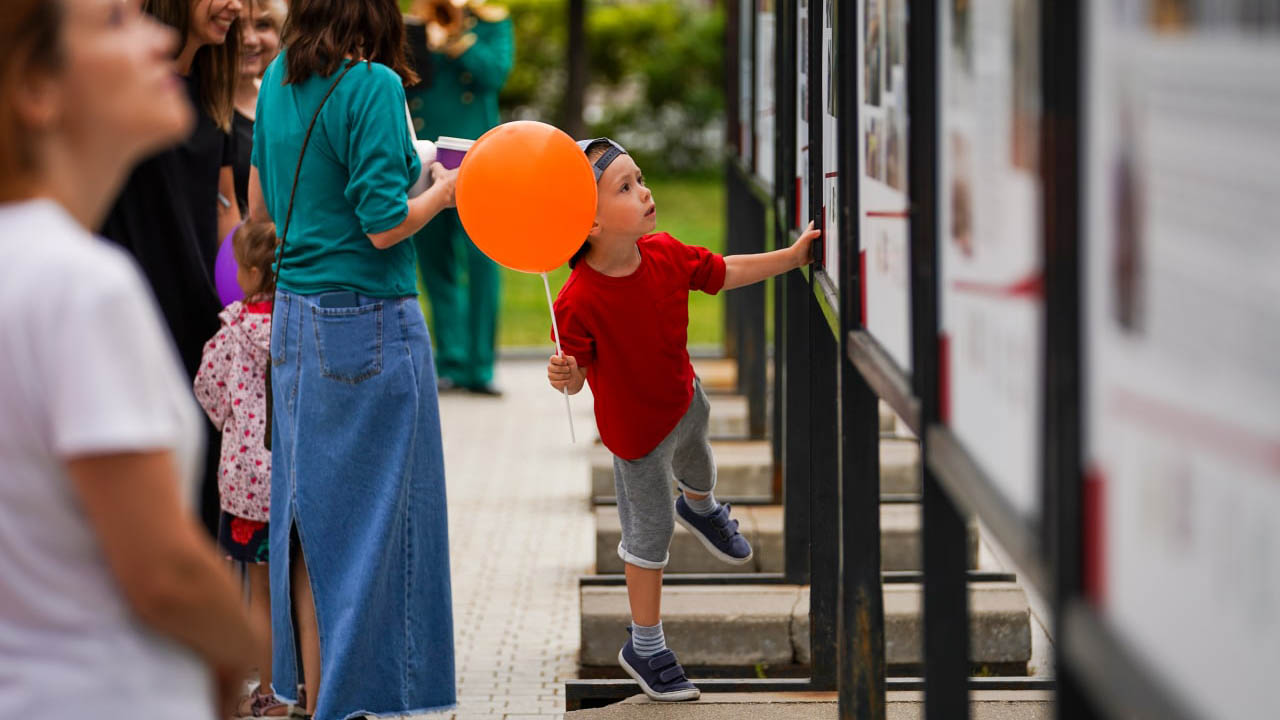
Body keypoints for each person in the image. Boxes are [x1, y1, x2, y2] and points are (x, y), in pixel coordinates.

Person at [0, 1, 262, 718]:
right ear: (36, 87)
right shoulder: (82, 287)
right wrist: (256, 649)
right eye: (116, 21)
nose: (154, 34)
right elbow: (166, 572)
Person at [547, 139, 821, 701]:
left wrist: (792, 257)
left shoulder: (666, 253)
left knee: (701, 465)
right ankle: (645, 646)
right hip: (637, 441)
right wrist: (565, 374)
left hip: (685, 401)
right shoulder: (575, 300)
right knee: (648, 541)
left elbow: (726, 269)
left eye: (639, 178)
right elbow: (576, 379)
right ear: (589, 222)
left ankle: (700, 507)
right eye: (625, 187)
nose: (645, 191)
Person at [247, 0, 459, 716]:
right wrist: (447, 190)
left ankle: (316, 696)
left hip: (295, 321)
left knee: (309, 526)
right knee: (378, 528)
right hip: (368, 320)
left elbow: (258, 211)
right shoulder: (372, 85)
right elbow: (383, 224)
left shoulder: (276, 76)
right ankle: (359, 698)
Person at [100, 0, 245, 537]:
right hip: (135, 323)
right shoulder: (128, 90)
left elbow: (224, 214)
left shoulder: (210, 101)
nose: (234, 6)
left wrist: (247, 305)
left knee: (200, 505)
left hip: (198, 328)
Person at [193, 221, 288, 717]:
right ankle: (287, 688)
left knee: (245, 589)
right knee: (286, 590)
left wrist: (230, 419)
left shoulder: (231, 333)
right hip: (289, 478)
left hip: (242, 485)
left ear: (252, 273)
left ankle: (245, 688)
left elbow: (206, 389)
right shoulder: (295, 324)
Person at [406, 0, 514, 395]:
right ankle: (450, 361)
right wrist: (420, 34)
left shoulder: (490, 22)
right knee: (436, 262)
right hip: (429, 155)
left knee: (483, 262)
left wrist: (455, 39)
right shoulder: (413, 23)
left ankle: (480, 366)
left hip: (478, 158)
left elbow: (494, 75)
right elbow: (408, 81)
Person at [231, 0, 285, 216]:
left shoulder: (286, 98)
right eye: (236, 26)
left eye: (263, 25)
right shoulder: (201, 108)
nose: (250, 40)